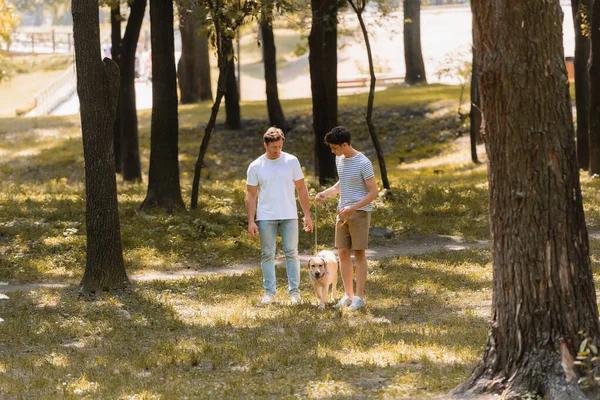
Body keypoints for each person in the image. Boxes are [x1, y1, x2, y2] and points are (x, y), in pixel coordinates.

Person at [246, 127, 313, 306]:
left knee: (292, 253)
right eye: (273, 147)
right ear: (265, 145)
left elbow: (301, 188)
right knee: (267, 254)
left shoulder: (291, 161)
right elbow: (251, 194)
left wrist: (307, 214)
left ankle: (294, 293)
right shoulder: (256, 166)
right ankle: (269, 293)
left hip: (289, 215)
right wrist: (251, 221)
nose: (277, 151)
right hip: (266, 216)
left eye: (280, 147)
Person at [316, 126, 378, 311]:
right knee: (342, 253)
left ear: (345, 144)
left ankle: (359, 297)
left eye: (335, 148)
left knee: (359, 254)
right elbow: (342, 183)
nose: (332, 151)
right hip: (342, 212)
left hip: (359, 212)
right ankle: (348, 296)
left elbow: (373, 192)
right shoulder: (339, 159)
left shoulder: (363, 162)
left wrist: (353, 208)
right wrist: (326, 193)